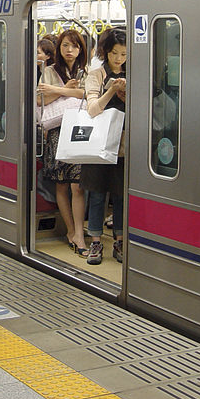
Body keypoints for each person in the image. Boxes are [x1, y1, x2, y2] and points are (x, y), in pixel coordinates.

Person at [36, 29, 88, 257]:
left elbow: (87, 95)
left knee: (77, 184)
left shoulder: (85, 71)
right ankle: (70, 230)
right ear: (59, 48)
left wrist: (58, 90)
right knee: (62, 184)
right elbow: (40, 99)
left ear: (81, 49)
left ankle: (79, 233)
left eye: (74, 47)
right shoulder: (49, 71)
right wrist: (68, 91)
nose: (70, 51)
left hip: (79, 130)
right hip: (56, 131)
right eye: (66, 46)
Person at [80, 28, 127, 265]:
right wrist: (111, 90)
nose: (119, 59)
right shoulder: (95, 74)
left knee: (120, 195)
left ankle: (119, 239)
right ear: (106, 52)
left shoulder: (133, 73)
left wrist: (127, 93)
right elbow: (92, 109)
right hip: (98, 143)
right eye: (115, 53)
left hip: (124, 145)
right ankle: (96, 241)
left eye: (124, 54)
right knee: (97, 194)